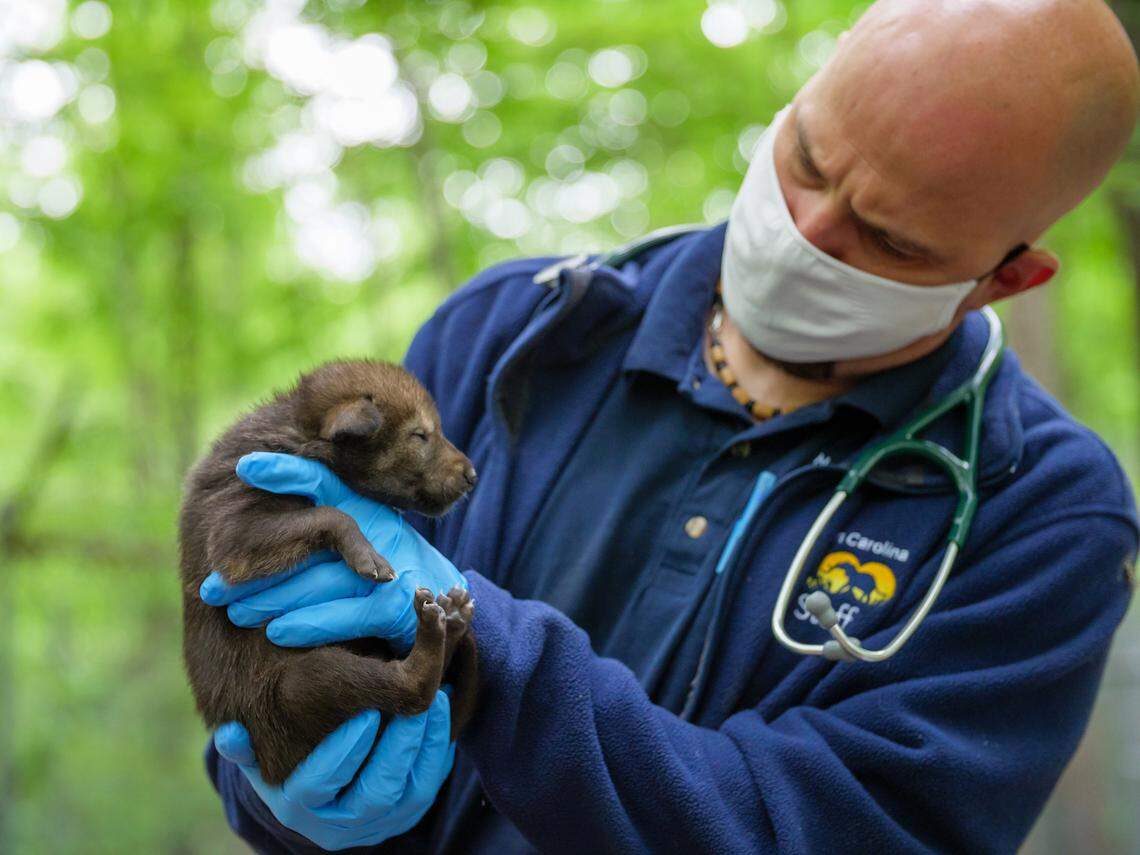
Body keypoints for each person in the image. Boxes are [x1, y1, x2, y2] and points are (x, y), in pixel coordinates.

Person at [201, 0, 1140, 850]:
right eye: (806, 159)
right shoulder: (512, 333)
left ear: (1006, 277)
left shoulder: (1042, 513)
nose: (808, 228)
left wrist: (490, 652)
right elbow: (270, 667)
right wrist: (289, 799)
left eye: (889, 240)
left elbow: (845, 824)